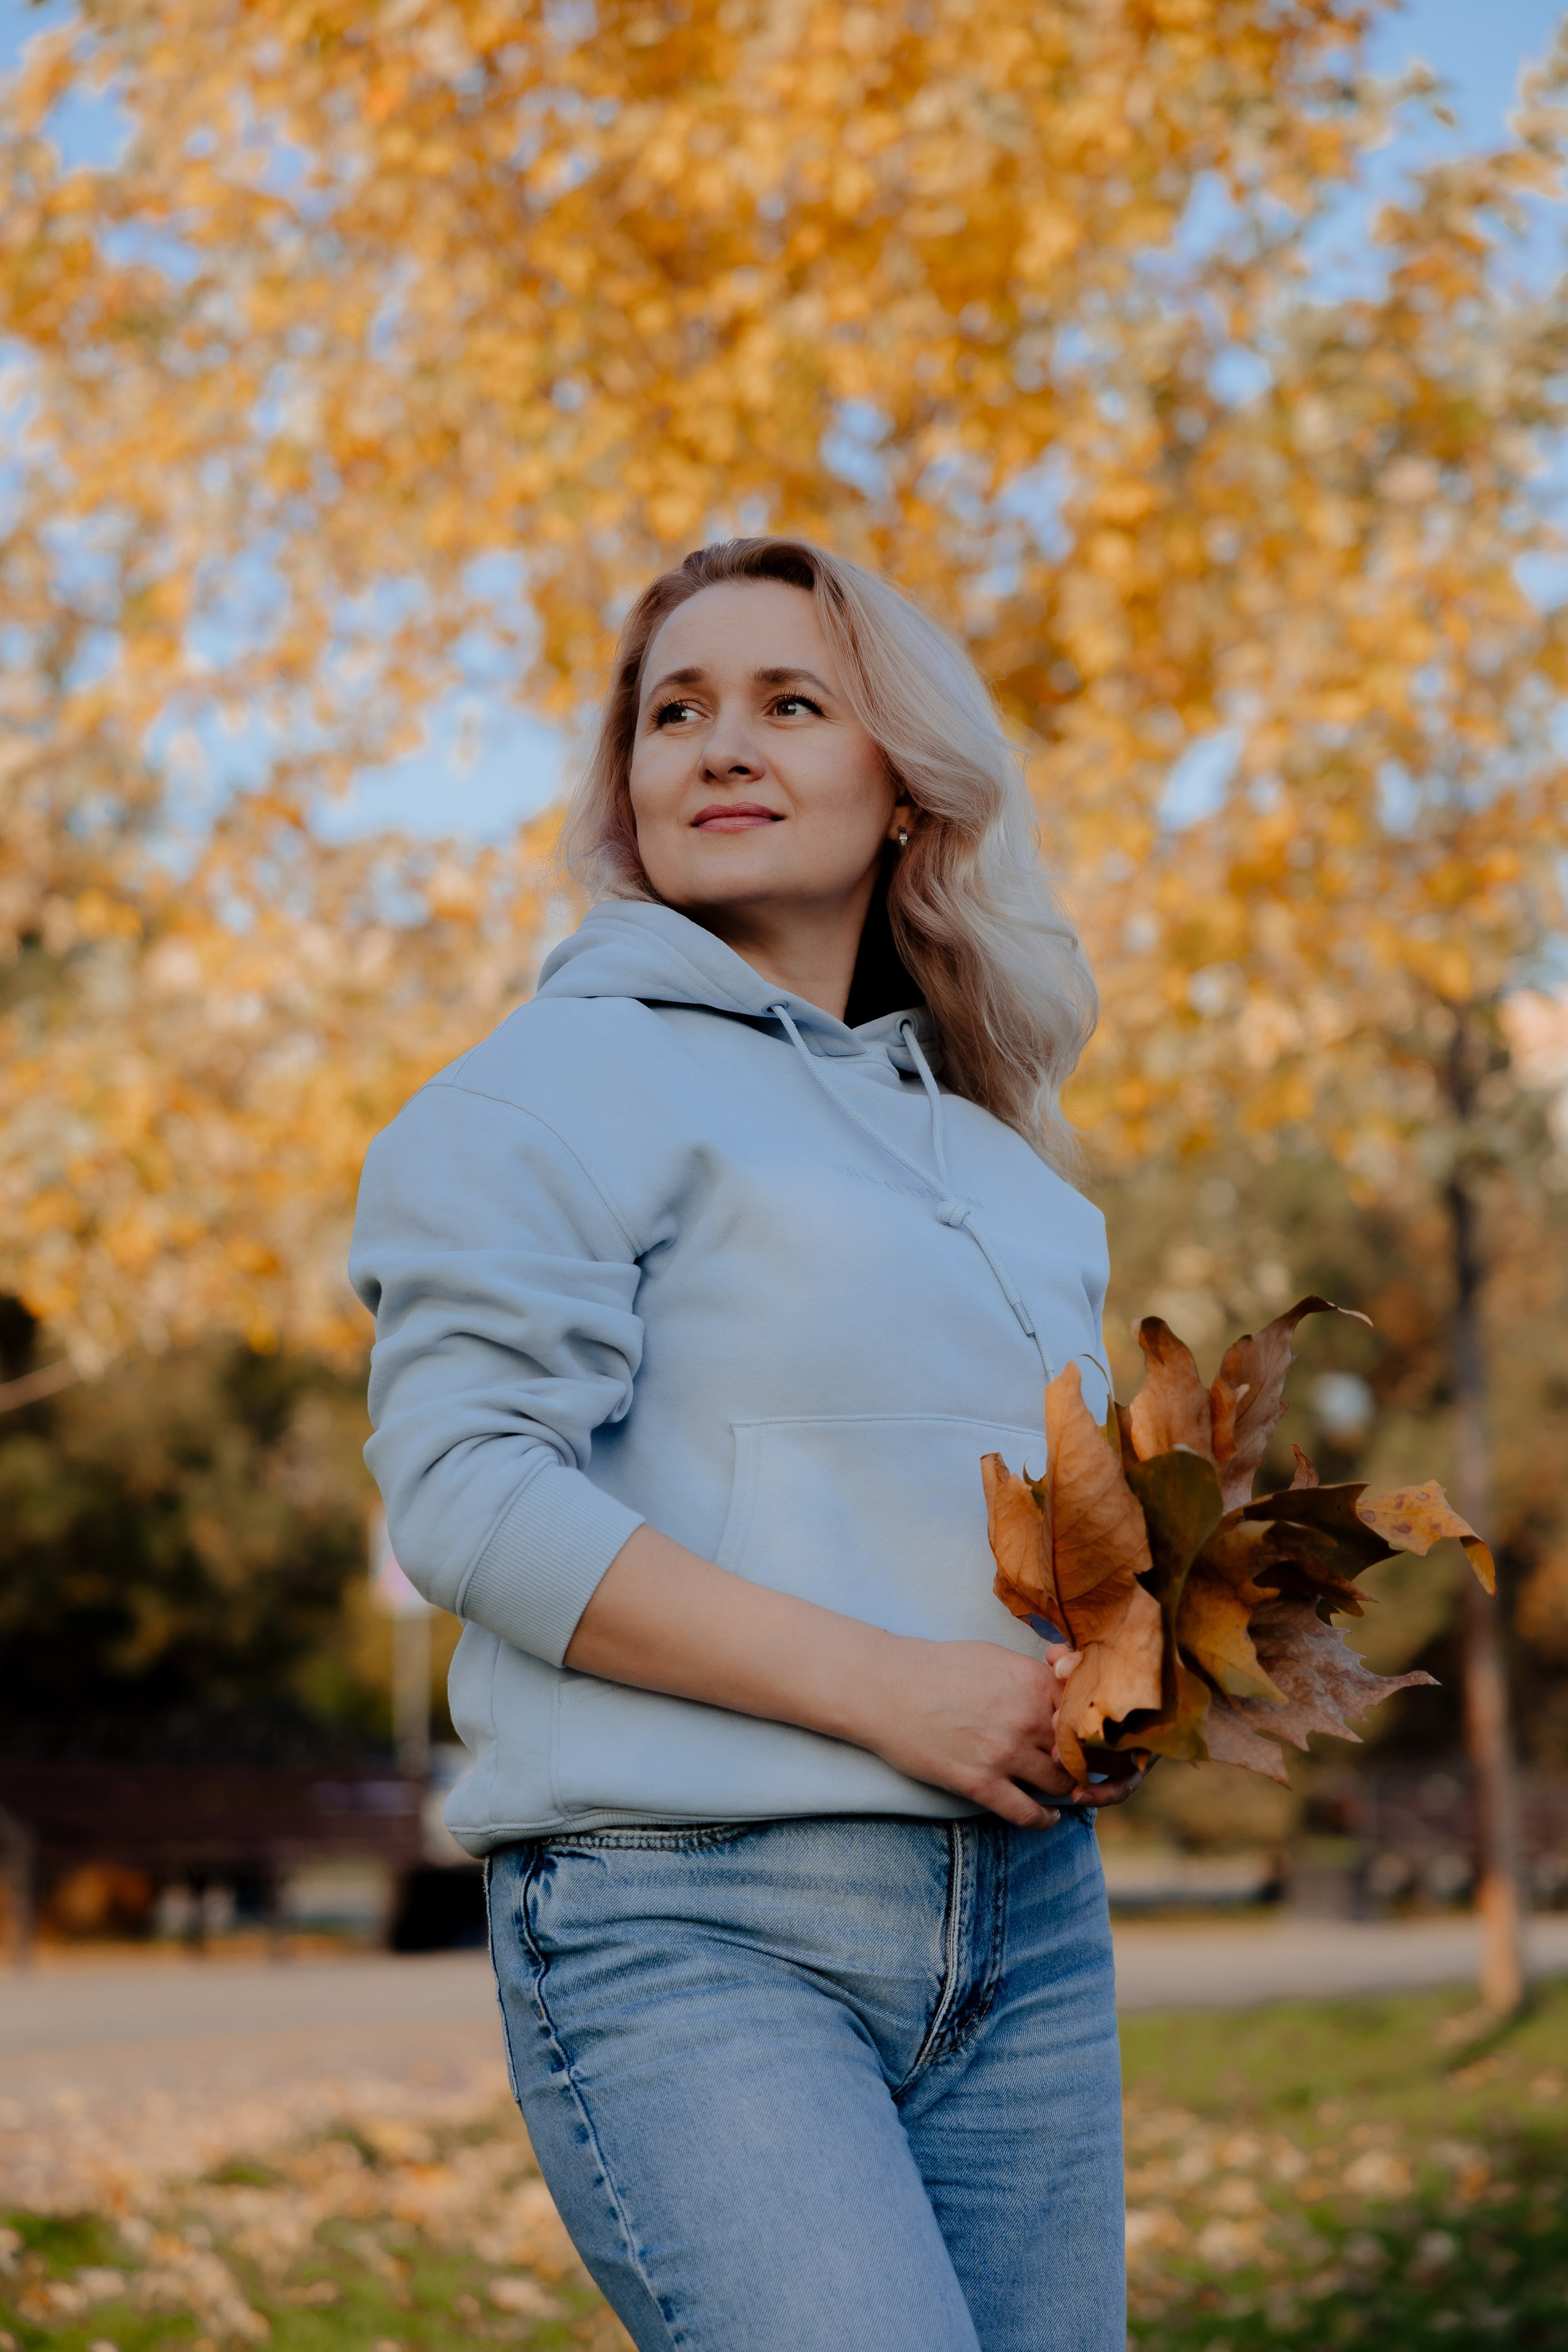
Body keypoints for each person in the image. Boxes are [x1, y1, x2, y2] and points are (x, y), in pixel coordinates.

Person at [350, 537, 1145, 2352]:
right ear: (626, 790)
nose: (722, 744)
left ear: (903, 790)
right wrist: (898, 1690)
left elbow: (1040, 1550)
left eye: (793, 703)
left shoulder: (1011, 1175)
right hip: (690, 1922)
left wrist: (1119, 1679)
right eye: (675, 712)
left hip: (1028, 1927)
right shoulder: (543, 1089)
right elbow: (469, 1495)